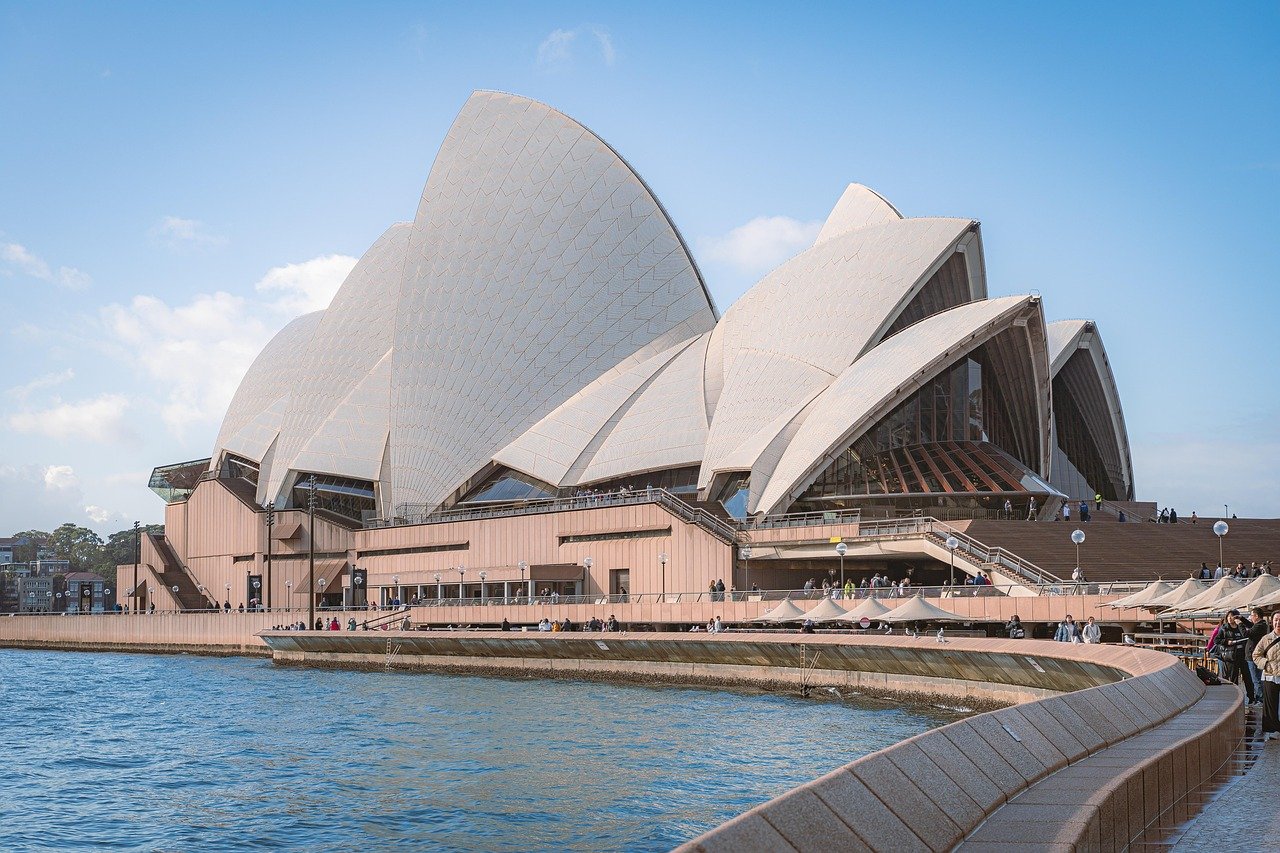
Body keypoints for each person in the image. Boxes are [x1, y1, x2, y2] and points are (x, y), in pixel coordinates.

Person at [1251, 611, 1280, 741]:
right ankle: (1273, 730)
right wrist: (1266, 664)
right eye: (1276, 620)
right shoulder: (1266, 638)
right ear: (1272, 622)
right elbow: (1256, 655)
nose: (1278, 622)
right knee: (1270, 704)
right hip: (1270, 675)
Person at [1216, 610, 1256, 703]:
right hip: (1231, 656)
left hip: (1243, 655)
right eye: (1228, 616)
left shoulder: (1240, 627)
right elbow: (1216, 640)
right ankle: (1235, 697)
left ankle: (1251, 697)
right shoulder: (1224, 628)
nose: (1230, 618)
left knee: (1247, 677)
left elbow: (1249, 630)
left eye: (1232, 616)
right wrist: (1227, 642)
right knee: (1233, 678)